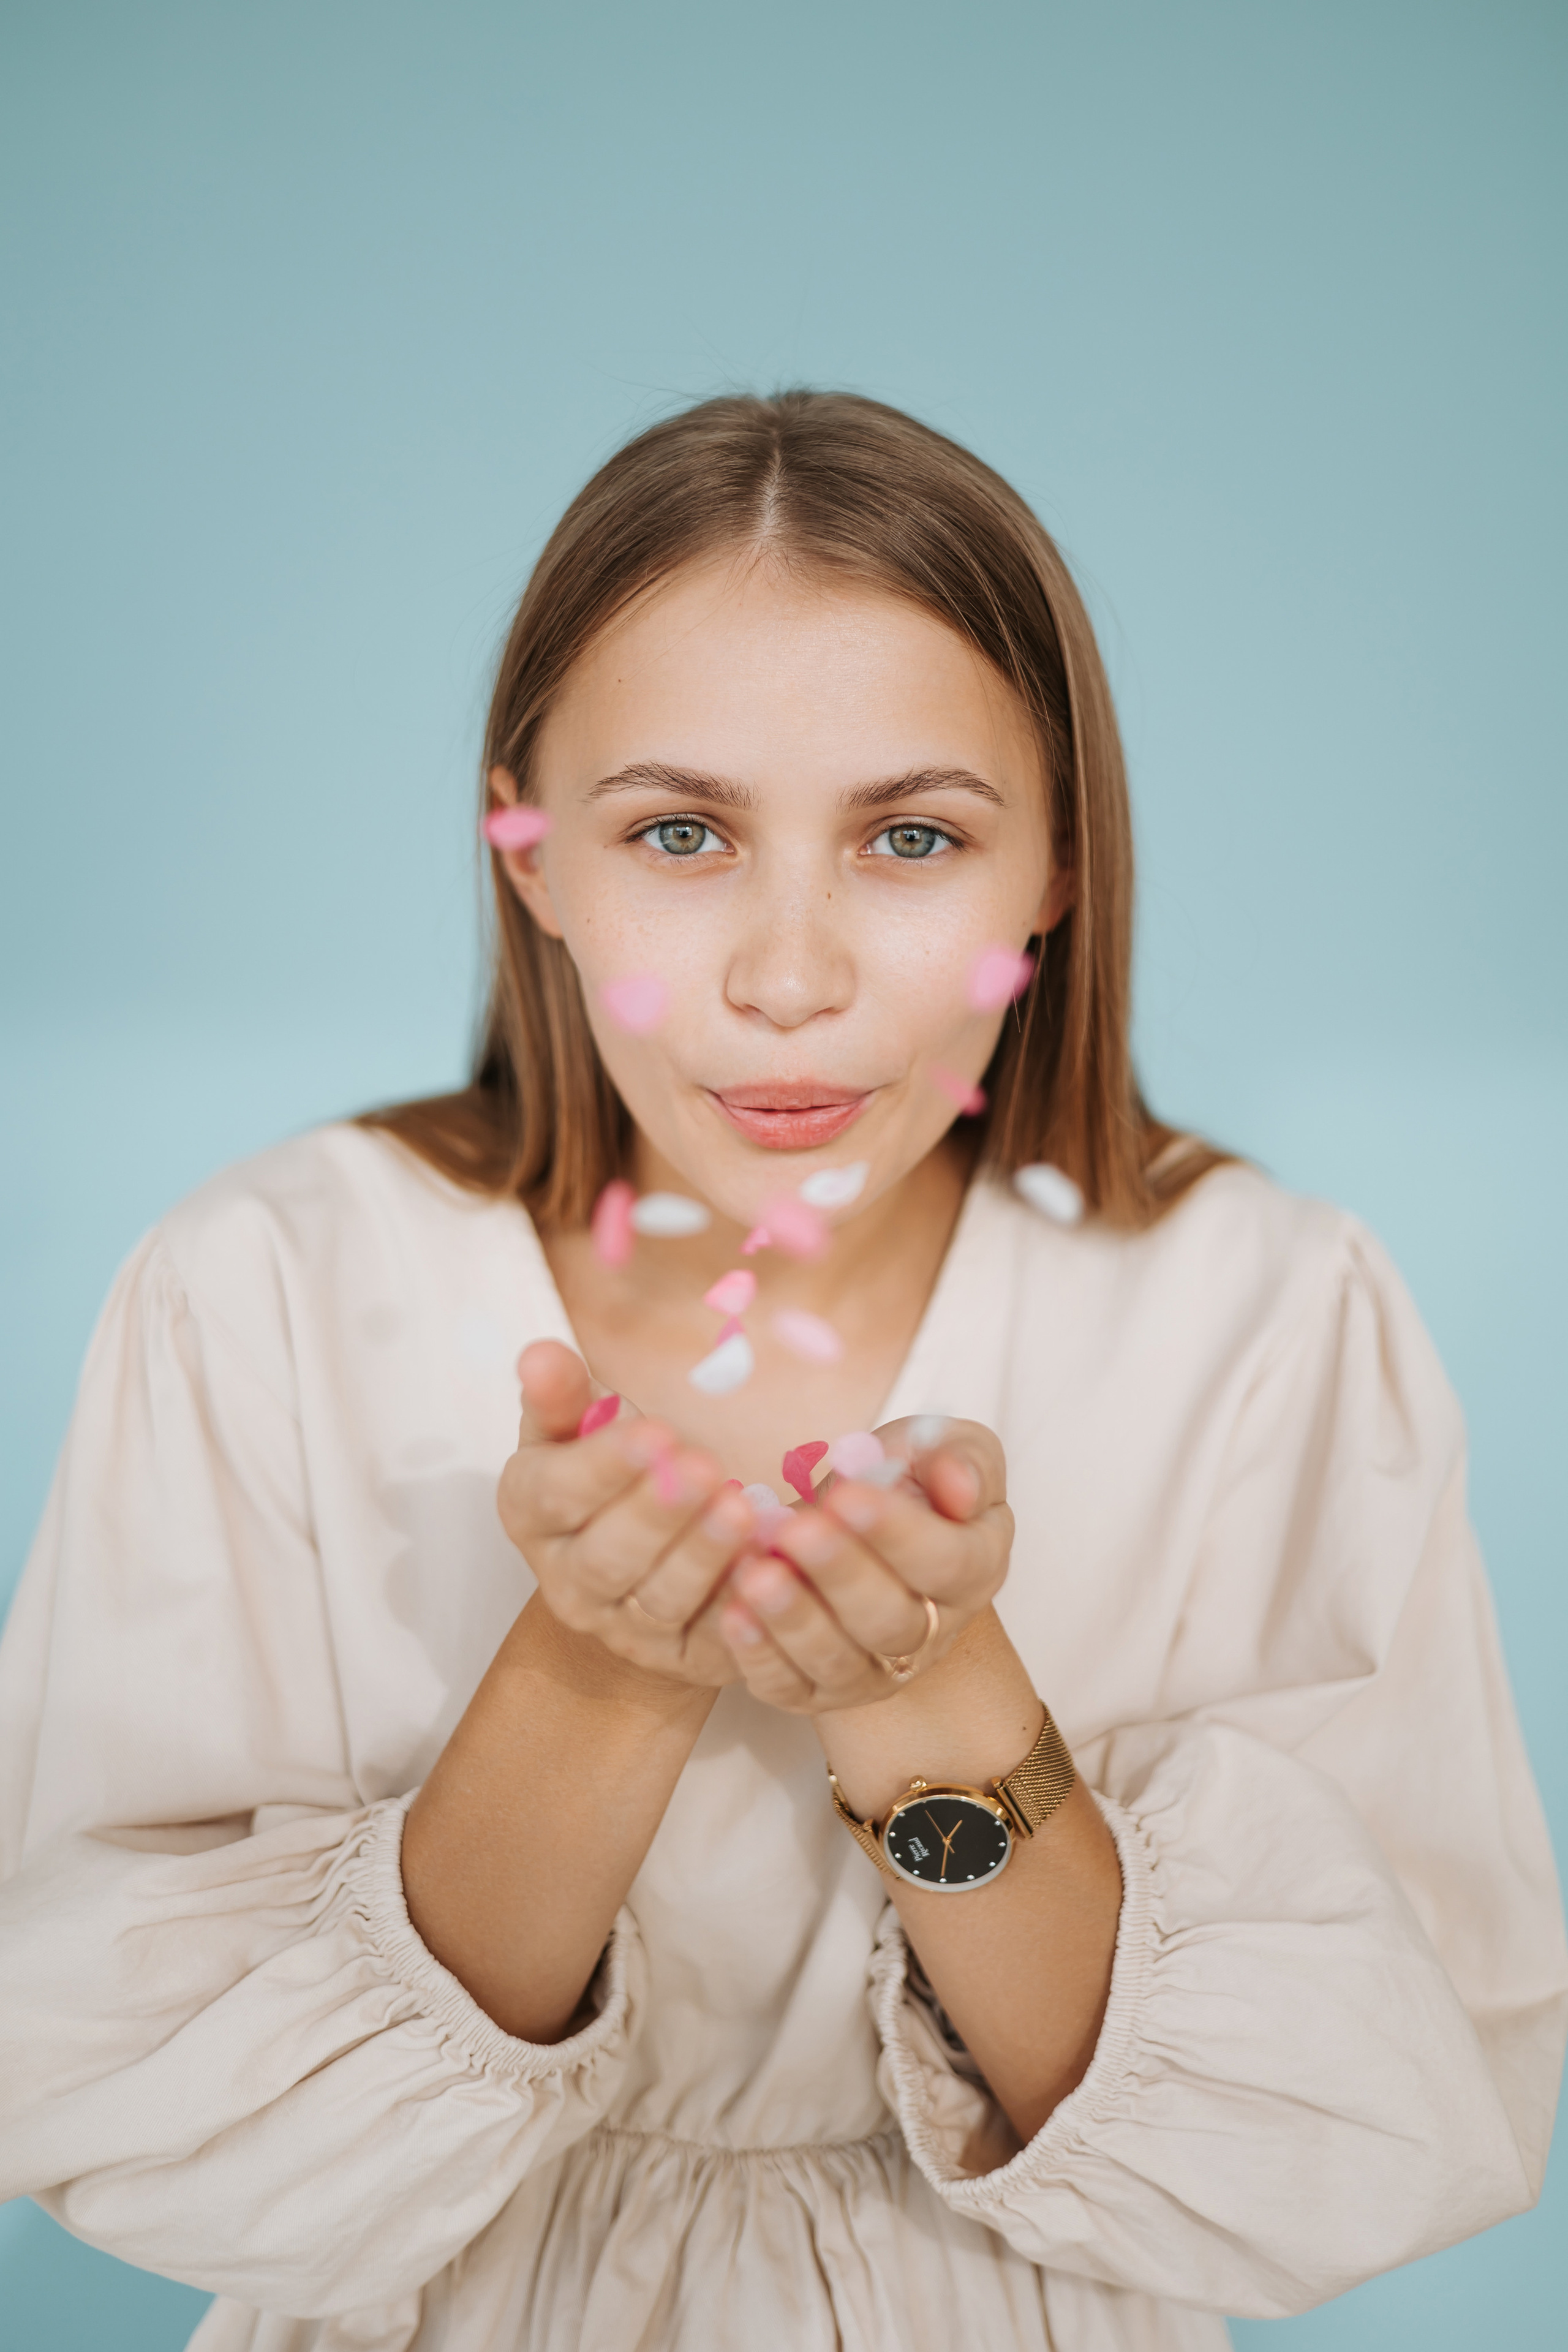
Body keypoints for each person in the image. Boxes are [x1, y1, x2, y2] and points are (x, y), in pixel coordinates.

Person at [1, 391, 1562, 2352]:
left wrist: (928, 1690)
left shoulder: (1264, 1314)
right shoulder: (265, 1292)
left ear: (1058, 868)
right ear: (529, 853)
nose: (791, 975)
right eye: (681, 834)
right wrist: (594, 1674)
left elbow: (1369, 2138)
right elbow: (148, 2127)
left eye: (913, 838)